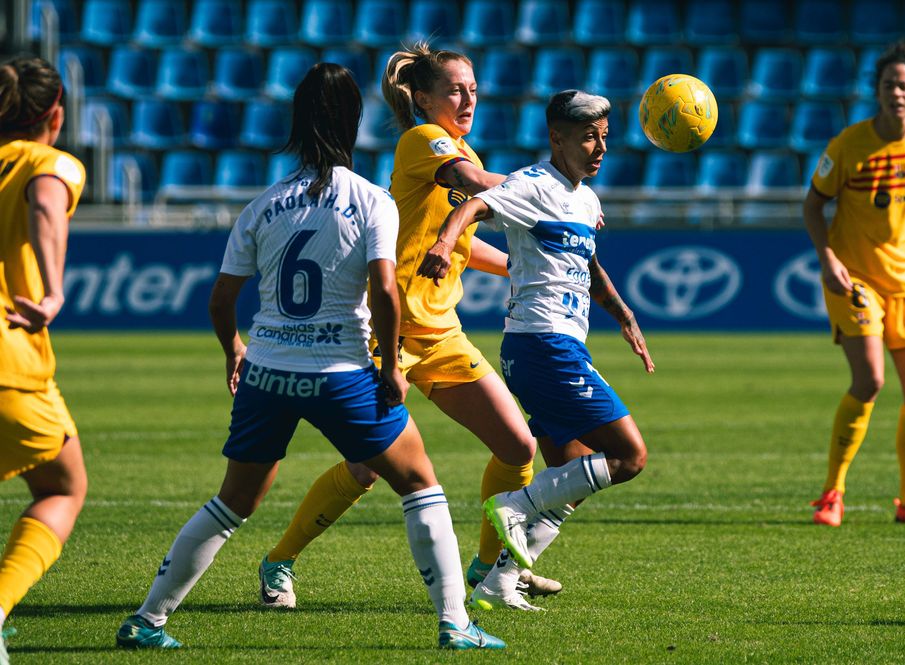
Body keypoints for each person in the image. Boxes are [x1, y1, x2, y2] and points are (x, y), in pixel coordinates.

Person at [114, 63, 503, 651]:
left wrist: (234, 350)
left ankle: (147, 620)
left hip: (268, 372)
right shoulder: (371, 200)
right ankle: (455, 624)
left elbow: (222, 298)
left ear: (297, 124)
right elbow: (385, 290)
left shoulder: (264, 204)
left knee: (231, 502)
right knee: (421, 485)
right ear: (355, 121)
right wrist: (392, 367)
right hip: (342, 371)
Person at [257, 43, 559, 612]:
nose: (468, 98)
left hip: (440, 334)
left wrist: (525, 263)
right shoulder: (424, 141)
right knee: (365, 469)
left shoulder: (458, 150)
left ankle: (488, 569)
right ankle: (279, 561)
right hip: (386, 332)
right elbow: (476, 182)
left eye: (473, 88)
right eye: (454, 90)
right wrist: (555, 194)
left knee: (518, 444)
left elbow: (465, 244)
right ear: (422, 98)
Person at [417, 89, 656, 608]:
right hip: (541, 344)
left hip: (558, 345)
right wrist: (442, 241)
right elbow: (477, 205)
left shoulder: (586, 200)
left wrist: (624, 314)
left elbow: (588, 266)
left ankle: (499, 583)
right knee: (629, 455)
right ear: (557, 137)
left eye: (604, 138)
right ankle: (514, 504)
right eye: (588, 137)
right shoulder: (532, 184)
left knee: (569, 482)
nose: (599, 148)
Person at [803, 40, 905, 528]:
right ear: (877, 92)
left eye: (904, 85)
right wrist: (828, 257)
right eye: (887, 85)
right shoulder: (847, 145)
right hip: (855, 277)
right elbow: (813, 205)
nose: (895, 92)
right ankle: (832, 494)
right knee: (870, 379)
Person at [0, 56, 88, 665]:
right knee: (61, 486)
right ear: (54, 114)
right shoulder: (48, 161)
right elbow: (45, 205)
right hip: (9, 355)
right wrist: (53, 291)